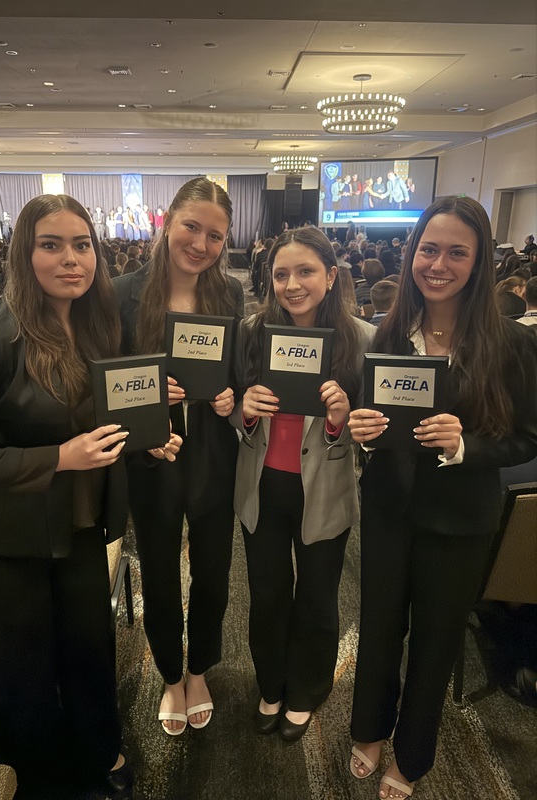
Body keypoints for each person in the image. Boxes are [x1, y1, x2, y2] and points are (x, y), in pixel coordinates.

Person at [0, 194, 181, 797]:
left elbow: (97, 427)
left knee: (88, 650)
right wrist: (58, 459)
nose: (71, 259)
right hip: (0, 540)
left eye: (81, 245)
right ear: (25, 253)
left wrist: (144, 441)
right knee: (20, 674)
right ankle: (36, 781)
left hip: (78, 526)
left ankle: (99, 754)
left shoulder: (97, 329)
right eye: (51, 245)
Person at [348, 196, 537, 798]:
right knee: (379, 629)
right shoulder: (390, 331)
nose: (438, 264)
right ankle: (369, 728)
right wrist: (363, 432)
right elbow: (372, 414)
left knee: (435, 641)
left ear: (479, 261)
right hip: (388, 509)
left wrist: (465, 447)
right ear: (411, 255)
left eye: (457, 252)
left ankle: (413, 755)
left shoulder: (510, 344)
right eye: (428, 250)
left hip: (460, 521)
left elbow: (527, 438)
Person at [231, 227, 374, 742]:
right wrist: (245, 411)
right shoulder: (251, 331)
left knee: (317, 596)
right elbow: (230, 409)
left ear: (331, 276)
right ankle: (271, 684)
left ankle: (306, 690)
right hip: (262, 485)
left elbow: (373, 429)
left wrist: (341, 420)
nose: (292, 285)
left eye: (306, 272)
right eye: (281, 274)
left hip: (325, 488)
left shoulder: (362, 339)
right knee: (267, 594)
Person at [113, 177, 244, 735]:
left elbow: (237, 372)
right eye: (192, 227)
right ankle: (170, 673)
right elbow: (106, 385)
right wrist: (146, 403)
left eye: (215, 235)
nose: (201, 244)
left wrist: (232, 395)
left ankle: (199, 669)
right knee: (160, 572)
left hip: (213, 450)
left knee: (213, 571)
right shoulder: (120, 293)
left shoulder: (229, 294)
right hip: (151, 455)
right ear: (167, 222)